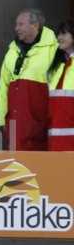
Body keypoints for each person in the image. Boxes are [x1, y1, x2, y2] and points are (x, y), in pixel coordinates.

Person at [0, 8, 58, 150]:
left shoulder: (54, 50)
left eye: (21, 24)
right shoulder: (12, 51)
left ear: (34, 25)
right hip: (14, 126)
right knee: (16, 169)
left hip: (40, 127)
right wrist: (2, 120)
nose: (16, 28)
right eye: (16, 24)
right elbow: (2, 88)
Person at [47, 19, 74, 151]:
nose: (59, 38)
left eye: (64, 33)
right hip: (55, 139)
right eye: (59, 34)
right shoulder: (57, 67)